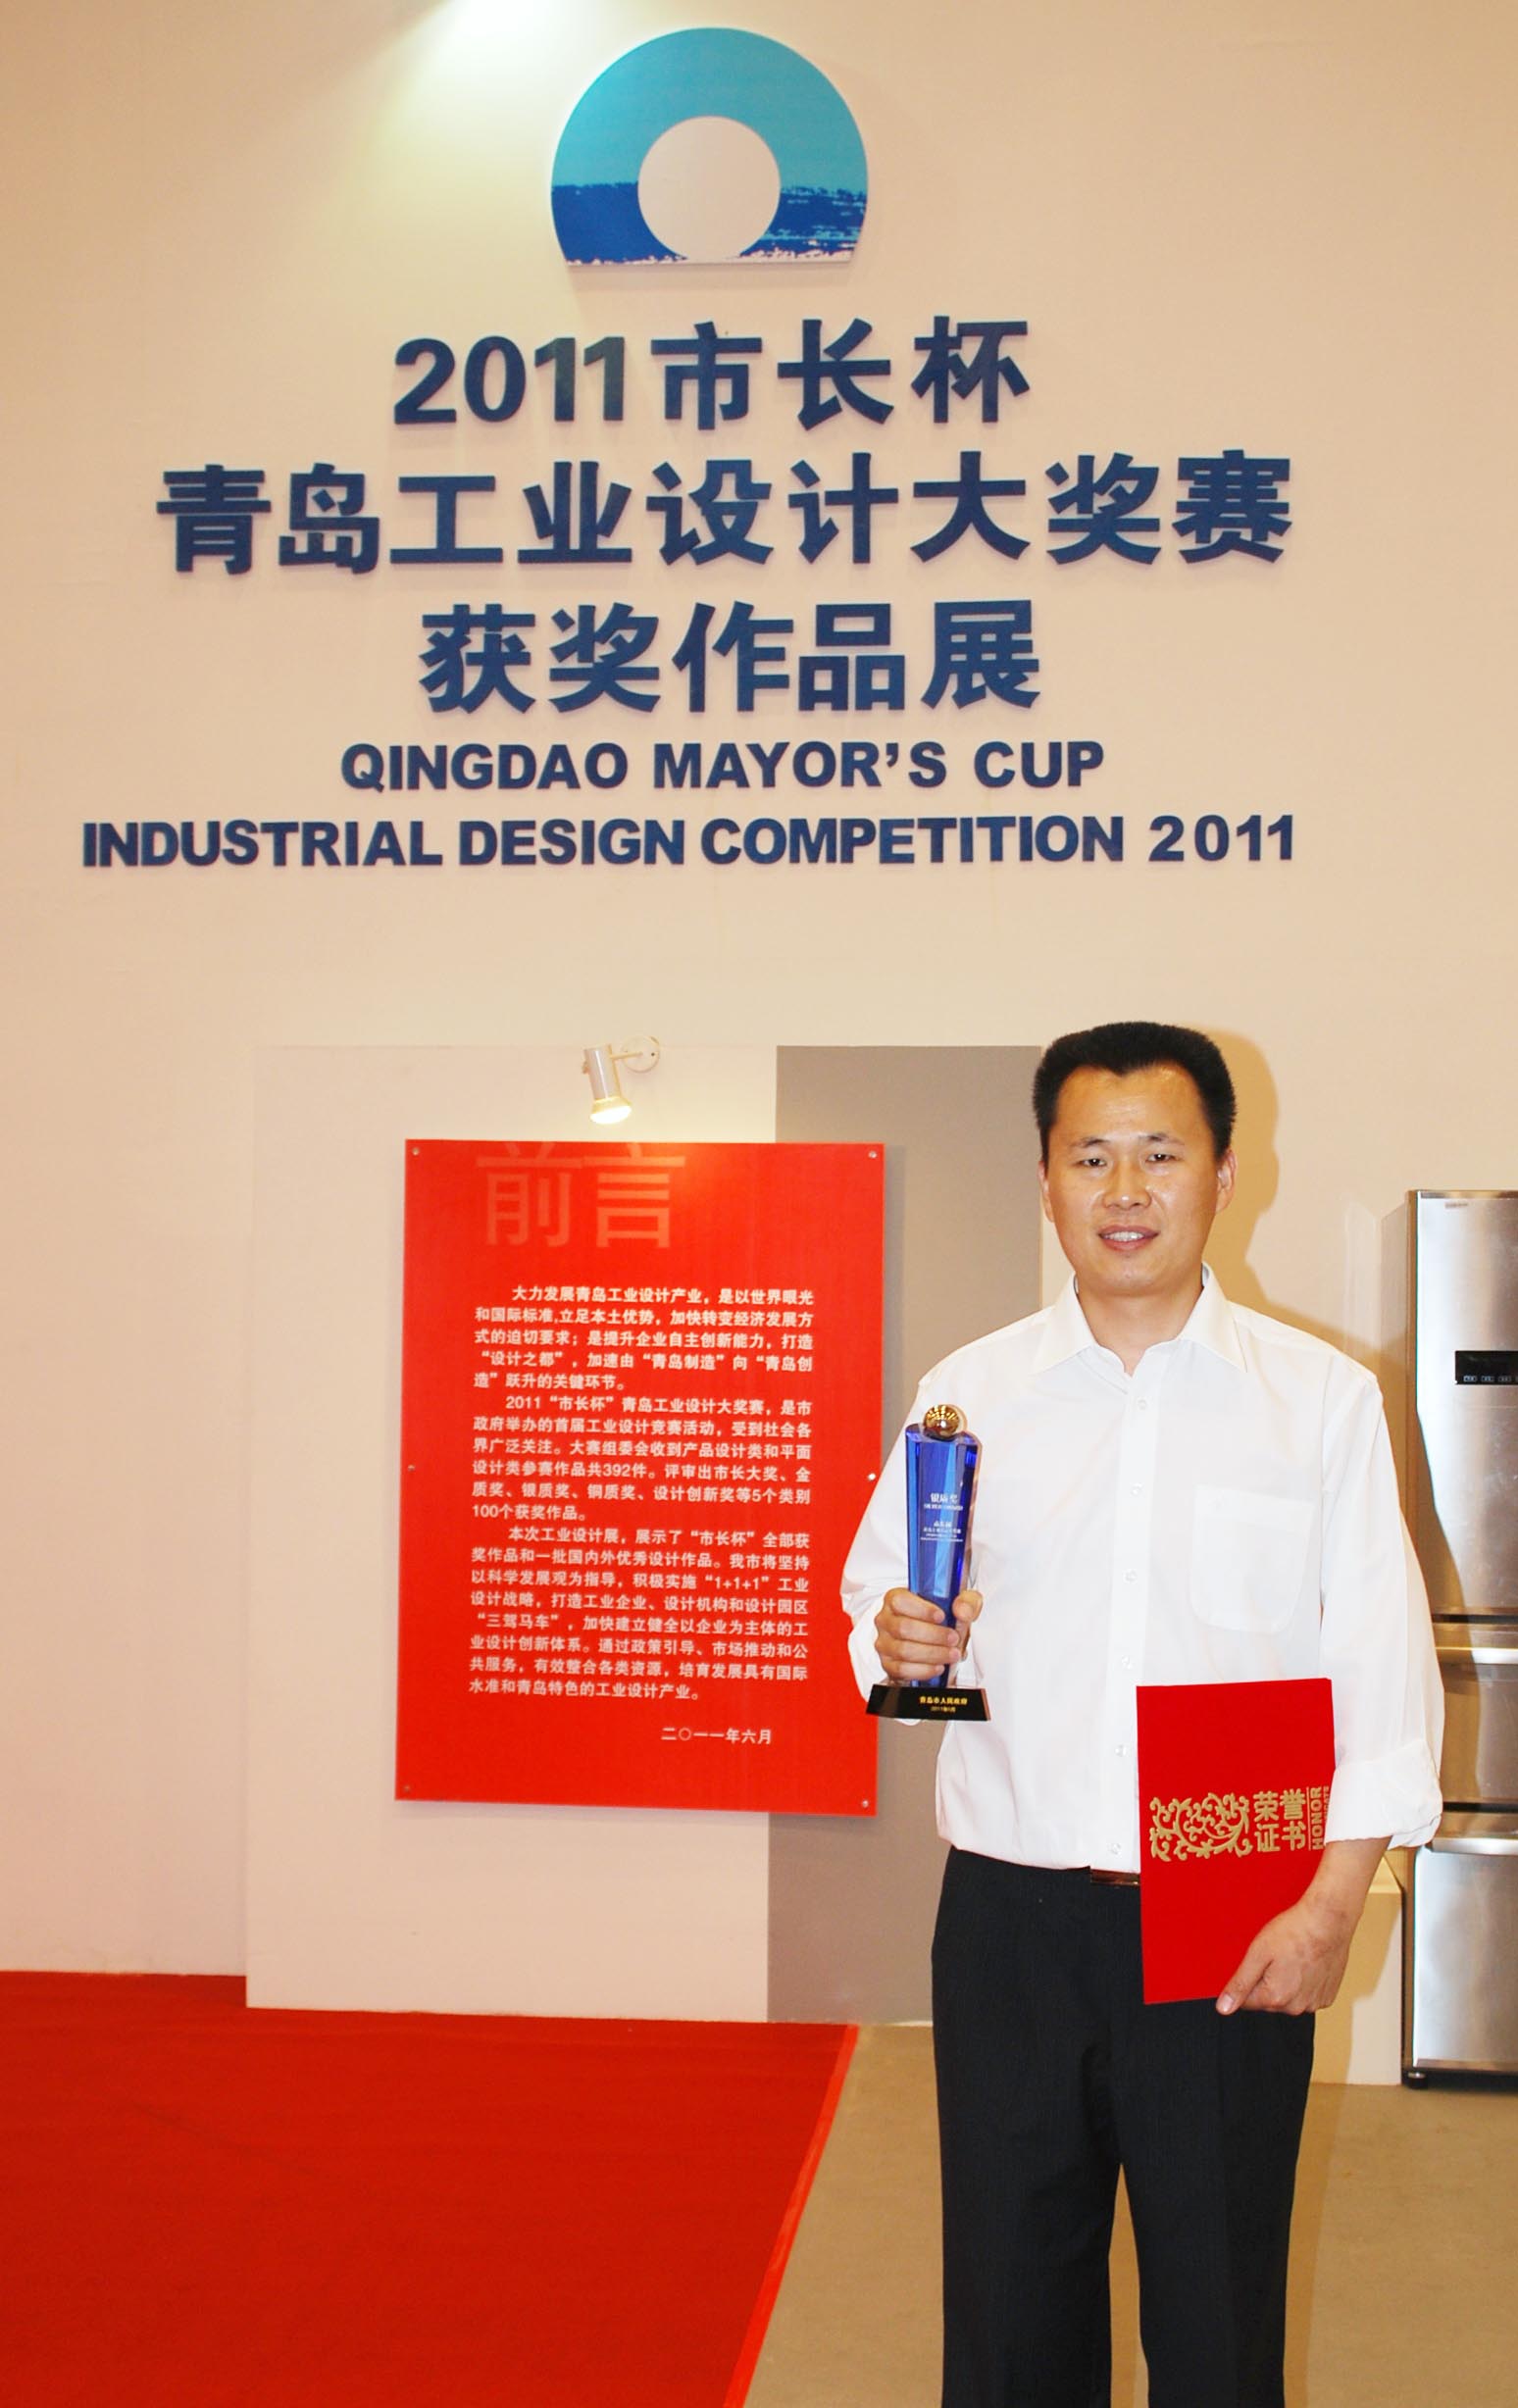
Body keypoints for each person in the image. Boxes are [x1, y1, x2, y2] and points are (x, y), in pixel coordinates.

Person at [840, 1021, 1442, 2408]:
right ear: (1045, 1180)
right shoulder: (969, 1394)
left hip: (1233, 1909)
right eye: (1090, 1156)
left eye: (1160, 1155)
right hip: (1010, 1918)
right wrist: (899, 1638)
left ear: (1226, 1174)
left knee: (1218, 2321)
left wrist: (1331, 1910)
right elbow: (879, 1606)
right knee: (1009, 2316)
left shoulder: (1317, 1403)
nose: (1125, 1191)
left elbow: (1379, 1667)